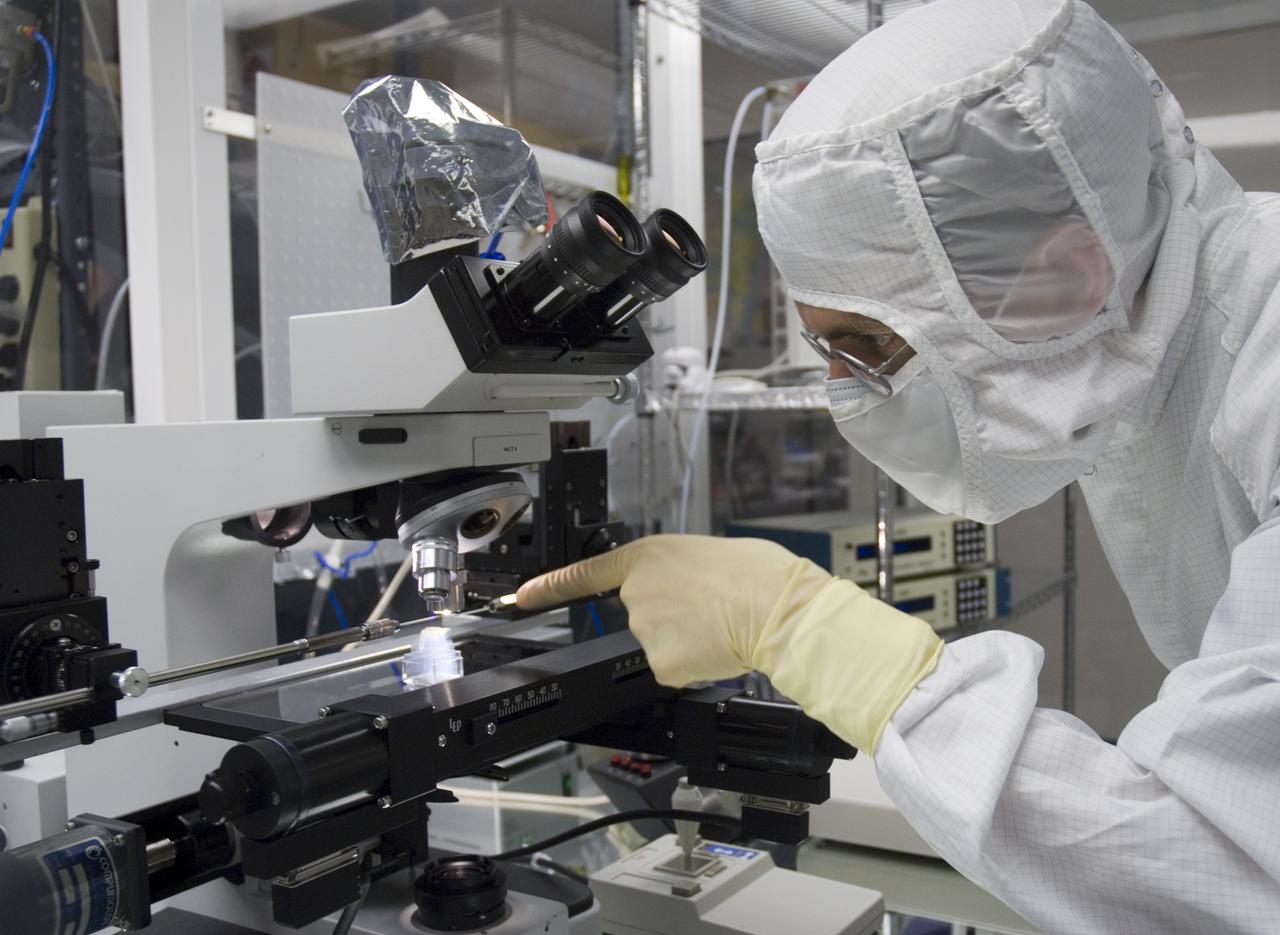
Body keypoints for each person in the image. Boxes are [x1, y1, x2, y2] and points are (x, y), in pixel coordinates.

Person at [518, 0, 1280, 930]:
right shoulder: (1147, 350)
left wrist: (806, 632)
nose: (851, 392)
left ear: (1069, 273)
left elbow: (1227, 864)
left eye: (869, 345)